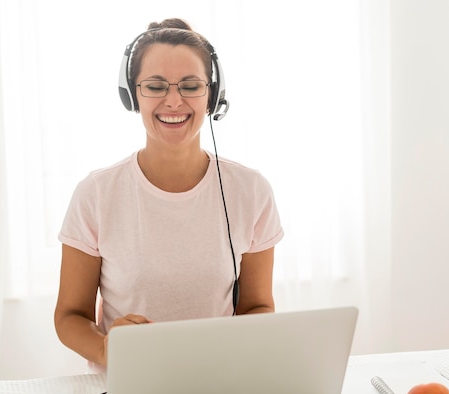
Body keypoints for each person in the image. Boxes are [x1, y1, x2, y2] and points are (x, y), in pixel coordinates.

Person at [54, 18, 284, 372]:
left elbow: (257, 306)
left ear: (212, 95)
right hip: (126, 387)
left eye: (191, 85)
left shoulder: (250, 191)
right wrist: (105, 350)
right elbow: (70, 316)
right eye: (156, 86)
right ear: (132, 94)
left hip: (219, 383)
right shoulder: (96, 194)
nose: (173, 101)